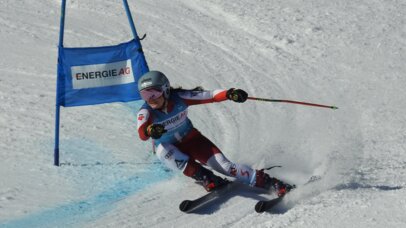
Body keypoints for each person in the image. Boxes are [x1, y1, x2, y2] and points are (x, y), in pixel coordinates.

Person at [136, 71, 293, 196]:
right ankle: (206, 177)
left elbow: (209, 95)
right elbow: (142, 134)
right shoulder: (146, 111)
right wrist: (150, 130)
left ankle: (271, 183)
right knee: (162, 150)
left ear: (165, 89)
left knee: (226, 167)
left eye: (154, 93)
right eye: (145, 95)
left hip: (192, 140)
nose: (150, 99)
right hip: (170, 148)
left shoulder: (179, 98)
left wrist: (230, 93)